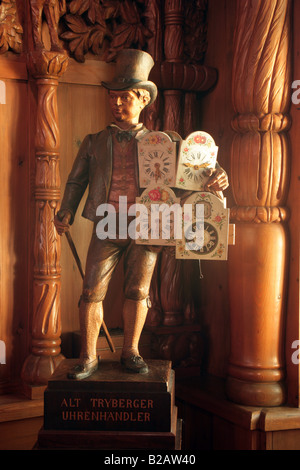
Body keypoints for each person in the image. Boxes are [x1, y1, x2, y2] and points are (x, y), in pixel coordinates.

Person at [54, 49, 228, 380]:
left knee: (138, 290)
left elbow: (202, 166)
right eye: (113, 96)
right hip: (107, 222)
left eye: (125, 97)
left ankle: (130, 351)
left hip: (148, 226)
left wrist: (219, 174)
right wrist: (66, 210)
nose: (117, 103)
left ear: (143, 100)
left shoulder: (165, 142)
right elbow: (76, 181)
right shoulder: (94, 142)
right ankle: (88, 356)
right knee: (91, 290)